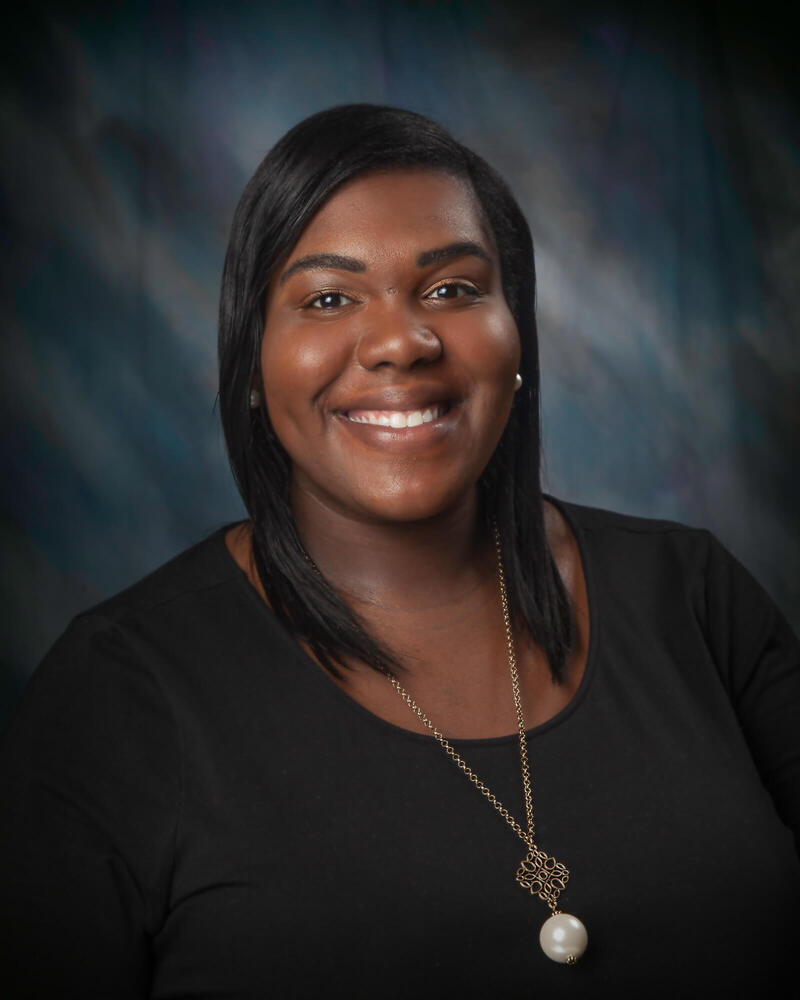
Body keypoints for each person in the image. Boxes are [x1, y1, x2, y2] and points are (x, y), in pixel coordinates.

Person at [1, 104, 798, 998]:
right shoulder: (117, 695)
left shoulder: (691, 597)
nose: (401, 343)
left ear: (517, 335)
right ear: (254, 361)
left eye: (453, 289)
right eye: (328, 299)